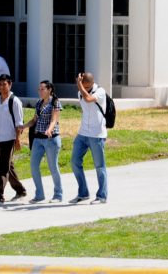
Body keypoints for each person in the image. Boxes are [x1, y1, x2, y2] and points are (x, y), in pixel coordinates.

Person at [0, 74, 27, 205]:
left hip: (10, 139)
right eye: (0, 84)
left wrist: (18, 139)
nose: (2, 87)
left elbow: (19, 123)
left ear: (10, 84)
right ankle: (20, 190)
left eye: (4, 84)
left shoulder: (15, 101)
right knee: (8, 166)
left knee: (2, 167)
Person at [69, 71, 108, 204]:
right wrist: (80, 87)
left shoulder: (100, 91)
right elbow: (85, 99)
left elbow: (89, 99)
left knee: (99, 166)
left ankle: (102, 196)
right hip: (83, 133)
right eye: (82, 86)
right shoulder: (80, 91)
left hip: (97, 135)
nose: (83, 89)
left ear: (92, 83)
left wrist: (80, 86)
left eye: (86, 87)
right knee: (74, 162)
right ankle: (83, 193)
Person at [23, 80, 63, 203]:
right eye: (39, 89)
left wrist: (49, 130)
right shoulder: (39, 103)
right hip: (38, 139)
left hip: (51, 139)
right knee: (34, 166)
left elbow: (54, 120)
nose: (40, 91)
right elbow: (34, 120)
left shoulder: (55, 102)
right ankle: (39, 195)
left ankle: (58, 195)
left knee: (53, 167)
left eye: (42, 89)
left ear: (49, 89)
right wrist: (23, 126)